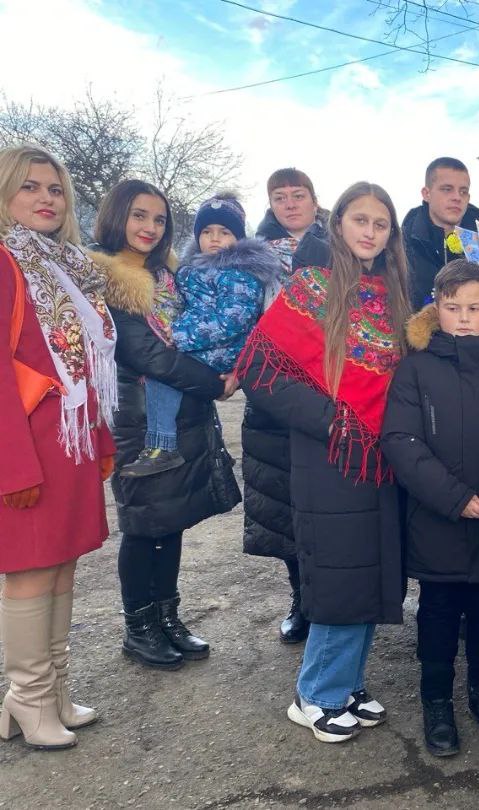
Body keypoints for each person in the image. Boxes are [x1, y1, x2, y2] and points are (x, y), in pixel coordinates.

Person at [237, 181, 409, 744]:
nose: (369, 232)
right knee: (340, 573)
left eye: (380, 224)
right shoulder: (311, 288)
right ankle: (316, 694)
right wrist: (332, 420)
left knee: (370, 571)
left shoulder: (394, 295)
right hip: (331, 454)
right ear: (338, 225)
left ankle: (346, 684)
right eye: (360, 220)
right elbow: (259, 368)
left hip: (380, 458)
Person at [382, 259, 479, 758]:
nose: (464, 318)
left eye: (474, 308)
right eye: (453, 308)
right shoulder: (416, 367)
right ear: (436, 308)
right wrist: (456, 499)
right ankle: (437, 702)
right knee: (439, 614)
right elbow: (401, 440)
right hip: (438, 517)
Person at [91, 179, 241, 671]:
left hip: (179, 417)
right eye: (139, 215)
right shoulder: (108, 275)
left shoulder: (168, 274)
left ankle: (166, 617)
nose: (150, 227)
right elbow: (147, 354)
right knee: (143, 525)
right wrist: (213, 383)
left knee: (170, 522)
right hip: (137, 421)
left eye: (159, 219)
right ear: (117, 215)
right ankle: (139, 627)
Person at [0, 145, 116, 749]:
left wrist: (99, 436)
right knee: (30, 571)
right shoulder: (4, 261)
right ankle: (29, 696)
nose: (46, 198)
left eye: (54, 188)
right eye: (29, 186)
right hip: (27, 446)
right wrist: (12, 465)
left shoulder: (66, 264)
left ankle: (54, 691)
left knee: (62, 564)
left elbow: (88, 367)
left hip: (68, 441)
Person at [119, 192, 279, 478]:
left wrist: (181, 335)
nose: (214, 238)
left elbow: (233, 320)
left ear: (238, 238)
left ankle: (162, 445)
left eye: (224, 232)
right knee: (172, 381)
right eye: (206, 232)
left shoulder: (238, 273)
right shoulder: (193, 269)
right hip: (204, 340)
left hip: (224, 346)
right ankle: (191, 447)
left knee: (165, 376)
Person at [248, 167, 330, 644]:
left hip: (324, 384)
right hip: (272, 386)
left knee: (324, 503)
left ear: (315, 200)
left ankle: (326, 597)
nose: (290, 204)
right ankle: (300, 598)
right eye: (280, 197)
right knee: (283, 502)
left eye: (298, 195)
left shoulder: (338, 244)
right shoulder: (254, 254)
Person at [402, 157, 479, 310]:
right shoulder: (402, 245)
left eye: (463, 191)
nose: (457, 197)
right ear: (426, 194)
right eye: (447, 189)